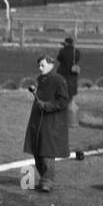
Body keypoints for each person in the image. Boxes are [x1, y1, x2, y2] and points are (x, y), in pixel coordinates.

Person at [22, 55, 70, 193]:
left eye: (42, 65)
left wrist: (47, 105)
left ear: (51, 65)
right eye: (39, 65)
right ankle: (44, 178)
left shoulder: (59, 80)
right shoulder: (41, 79)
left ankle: (47, 182)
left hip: (51, 121)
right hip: (38, 120)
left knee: (47, 152)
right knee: (37, 151)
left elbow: (63, 101)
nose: (40, 68)